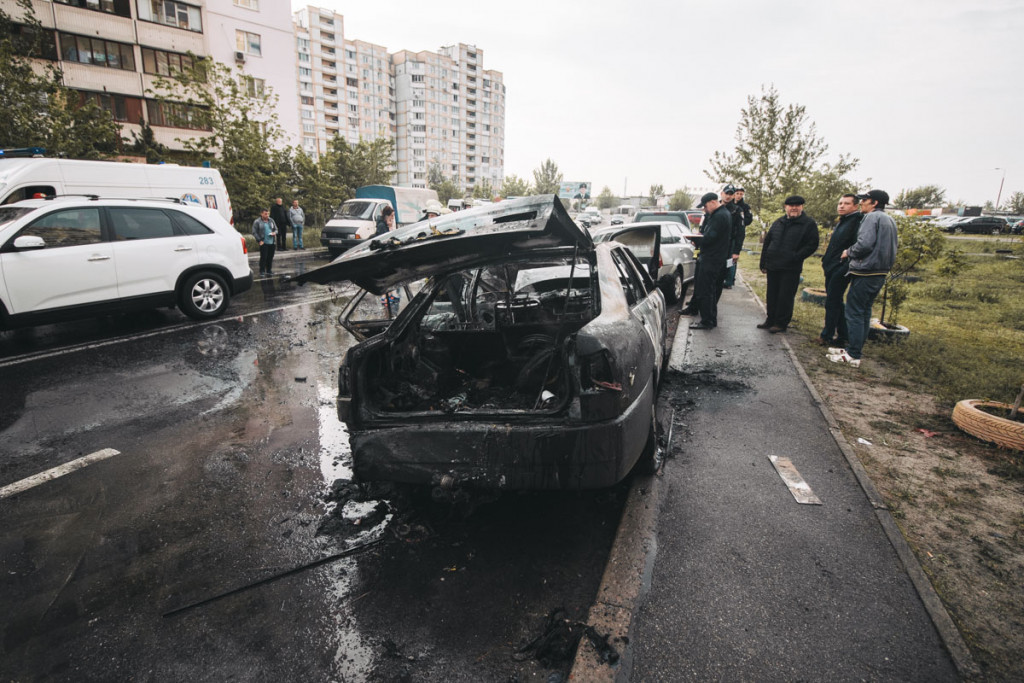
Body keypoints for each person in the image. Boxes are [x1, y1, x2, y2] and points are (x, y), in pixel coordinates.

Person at [827, 190, 898, 368]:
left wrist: (848, 252)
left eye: (865, 200)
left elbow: (864, 243)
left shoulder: (871, 218)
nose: (862, 203)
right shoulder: (888, 219)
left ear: (874, 203)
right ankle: (855, 348)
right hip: (879, 271)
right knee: (864, 312)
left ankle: (853, 354)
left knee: (854, 312)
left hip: (866, 271)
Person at [758, 195, 819, 333]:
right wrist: (763, 262)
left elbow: (812, 244)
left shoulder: (808, 224)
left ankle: (780, 323)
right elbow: (767, 242)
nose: (794, 208)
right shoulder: (778, 222)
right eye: (791, 206)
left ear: (802, 207)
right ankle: (770, 320)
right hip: (773, 265)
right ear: (786, 207)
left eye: (797, 205)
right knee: (772, 294)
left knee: (785, 296)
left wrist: (795, 257)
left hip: (791, 267)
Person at [815, 194, 863, 346]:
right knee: (836, 301)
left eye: (846, 203)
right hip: (831, 265)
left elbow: (857, 245)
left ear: (855, 206)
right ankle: (843, 335)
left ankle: (827, 335)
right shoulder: (843, 221)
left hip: (842, 267)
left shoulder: (857, 221)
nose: (841, 206)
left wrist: (844, 265)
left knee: (832, 302)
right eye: (840, 203)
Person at [686, 192, 733, 330]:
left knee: (706, 290)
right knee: (710, 290)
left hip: (712, 258)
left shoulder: (719, 216)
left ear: (713, 202)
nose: (705, 210)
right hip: (716, 257)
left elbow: (710, 237)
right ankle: (711, 319)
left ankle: (707, 321)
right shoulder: (722, 213)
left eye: (705, 206)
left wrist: (695, 239)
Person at [252, 208, 278, 276]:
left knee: (270, 257)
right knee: (263, 257)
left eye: (268, 214)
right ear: (261, 214)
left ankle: (269, 270)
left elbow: (276, 229)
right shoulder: (257, 221)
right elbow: (254, 232)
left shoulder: (271, 220)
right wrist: (259, 240)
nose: (267, 215)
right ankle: (262, 271)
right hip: (263, 242)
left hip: (272, 242)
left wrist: (274, 233)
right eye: (265, 214)